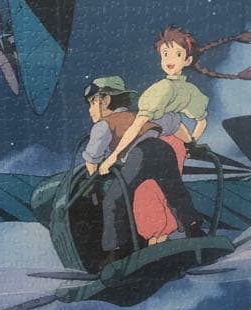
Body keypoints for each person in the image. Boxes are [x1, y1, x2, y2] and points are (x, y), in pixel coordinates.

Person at [98, 26, 251, 241]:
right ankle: (191, 232)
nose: (169, 59)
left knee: (136, 196)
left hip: (147, 149)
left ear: (187, 60)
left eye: (176, 54)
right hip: (172, 148)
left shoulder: (159, 90)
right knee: (173, 193)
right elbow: (198, 121)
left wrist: (112, 157)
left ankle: (128, 245)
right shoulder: (189, 91)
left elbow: (138, 125)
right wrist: (191, 144)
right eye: (165, 54)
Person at [82, 77, 195, 261]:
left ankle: (116, 252)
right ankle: (194, 229)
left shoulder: (104, 124)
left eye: (92, 103)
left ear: (106, 100)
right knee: (176, 193)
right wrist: (191, 144)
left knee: (113, 200)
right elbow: (175, 123)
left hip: (139, 155)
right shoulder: (142, 115)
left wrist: (94, 182)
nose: (89, 110)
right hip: (162, 150)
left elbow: (92, 159)